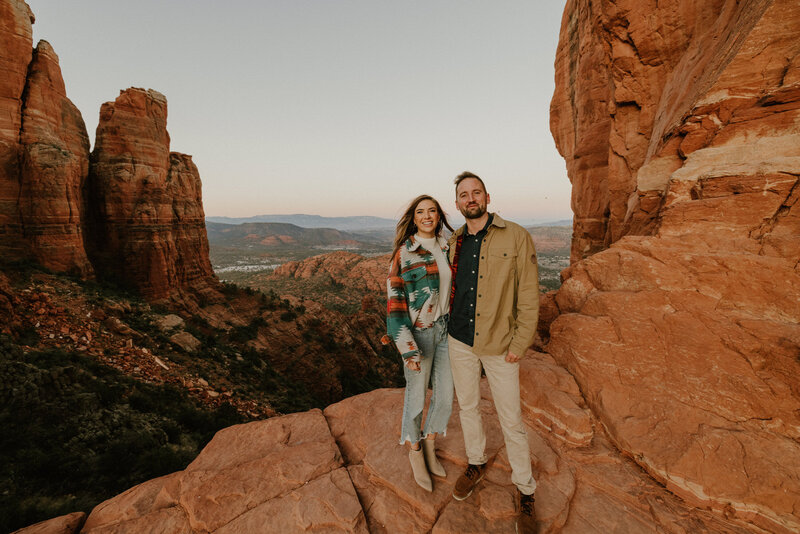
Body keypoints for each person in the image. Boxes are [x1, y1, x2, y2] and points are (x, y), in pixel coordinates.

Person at [447, 171, 540, 533]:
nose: (471, 199)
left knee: (511, 421)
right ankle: (476, 462)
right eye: (464, 195)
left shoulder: (516, 236)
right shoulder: (455, 241)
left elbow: (529, 296)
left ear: (487, 197)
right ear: (457, 203)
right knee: (468, 408)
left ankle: (526, 491)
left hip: (501, 345)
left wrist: (520, 343)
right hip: (460, 341)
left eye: (476, 192)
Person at [386, 194, 455, 492]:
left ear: (439, 216)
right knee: (416, 396)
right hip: (420, 332)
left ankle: (430, 444)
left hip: (447, 330)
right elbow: (395, 305)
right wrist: (407, 349)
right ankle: (415, 452)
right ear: (413, 219)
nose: (427, 216)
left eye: (432, 211)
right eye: (421, 212)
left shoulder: (447, 246)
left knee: (445, 395)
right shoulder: (405, 254)